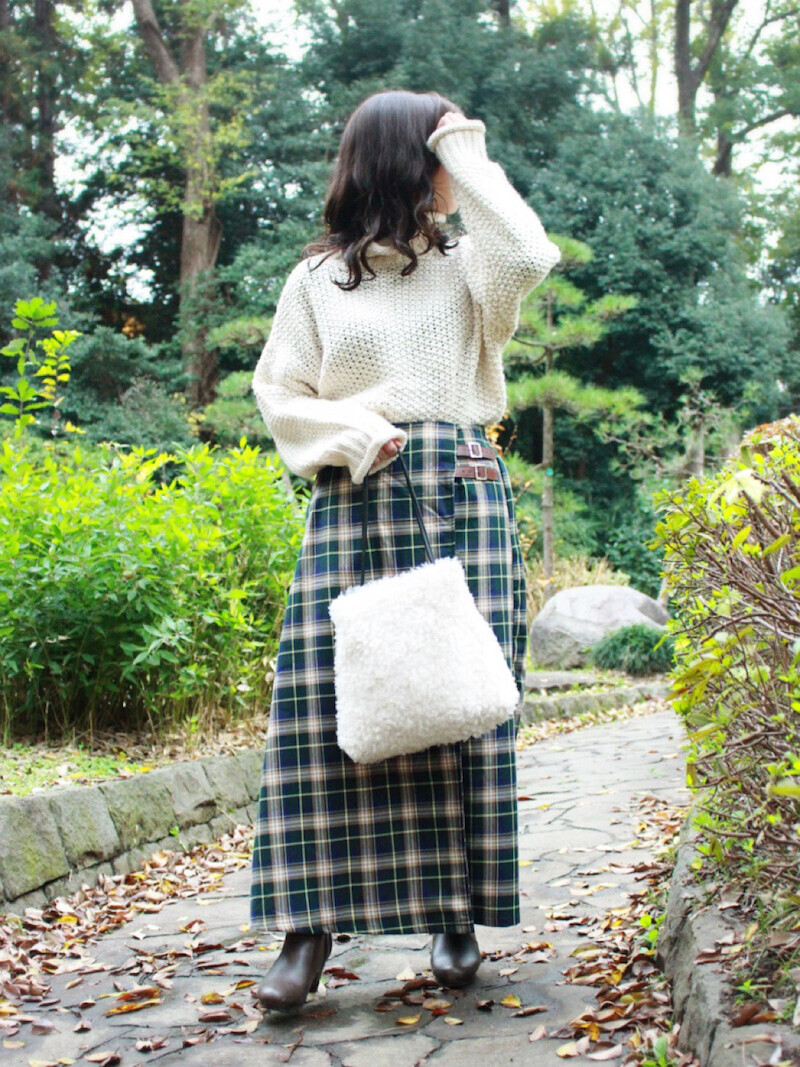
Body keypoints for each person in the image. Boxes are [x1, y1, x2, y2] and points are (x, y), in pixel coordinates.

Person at [249, 88, 560, 1013]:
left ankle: (453, 911)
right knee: (323, 707)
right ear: (401, 160)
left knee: (460, 699)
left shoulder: (469, 262)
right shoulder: (315, 280)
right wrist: (354, 433)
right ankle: (309, 925)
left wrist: (464, 145)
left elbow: (530, 253)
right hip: (355, 490)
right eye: (438, 151)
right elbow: (280, 394)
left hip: (460, 488)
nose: (451, 172)